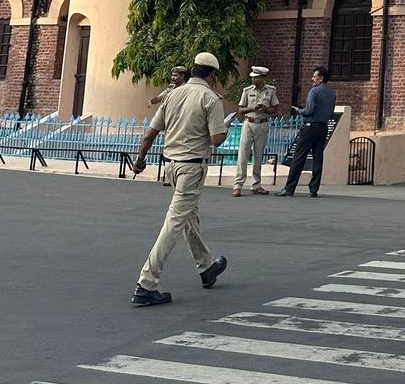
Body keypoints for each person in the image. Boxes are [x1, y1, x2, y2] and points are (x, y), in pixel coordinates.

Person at [130, 51, 229, 306]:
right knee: (174, 222)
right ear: (211, 75)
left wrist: (140, 159)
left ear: (192, 70)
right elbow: (217, 139)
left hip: (171, 166)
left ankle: (206, 267)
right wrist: (223, 127)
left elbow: (150, 133)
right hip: (192, 167)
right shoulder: (210, 98)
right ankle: (146, 283)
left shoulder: (172, 95)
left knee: (188, 217)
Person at [279, 66, 335, 197]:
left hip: (311, 126)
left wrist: (299, 110)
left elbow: (309, 110)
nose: (312, 79)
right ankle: (314, 189)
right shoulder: (331, 94)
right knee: (318, 157)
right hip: (323, 127)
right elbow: (331, 112)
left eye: (314, 76)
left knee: (299, 156)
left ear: (321, 78)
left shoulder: (314, 91)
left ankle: (289, 188)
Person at [232, 64, 279, 197]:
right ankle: (238, 185)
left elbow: (275, 108)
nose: (253, 80)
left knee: (258, 155)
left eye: (256, 77)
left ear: (263, 78)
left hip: (262, 123)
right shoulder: (247, 91)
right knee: (243, 155)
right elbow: (240, 109)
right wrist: (252, 108)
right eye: (253, 77)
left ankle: (256, 184)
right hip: (249, 122)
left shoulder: (270, 91)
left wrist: (265, 109)